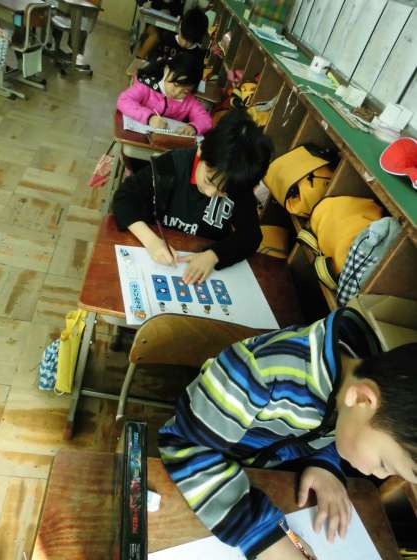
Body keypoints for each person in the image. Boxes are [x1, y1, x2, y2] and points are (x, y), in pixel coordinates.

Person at [158, 307, 417, 559]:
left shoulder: (356, 391)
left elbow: (332, 424)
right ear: (362, 398)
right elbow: (183, 444)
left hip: (257, 468)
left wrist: (325, 462)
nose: (378, 475)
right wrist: (262, 537)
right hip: (199, 460)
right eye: (384, 464)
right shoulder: (262, 373)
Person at [113, 109, 273, 284]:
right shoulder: (170, 166)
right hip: (155, 255)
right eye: (209, 181)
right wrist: (151, 241)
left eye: (223, 192)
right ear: (200, 151)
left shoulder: (237, 185)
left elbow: (251, 236)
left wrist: (214, 255)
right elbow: (124, 198)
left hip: (199, 262)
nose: (212, 193)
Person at [117, 52, 212, 137]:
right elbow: (123, 101)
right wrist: (150, 118)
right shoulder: (147, 85)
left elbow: (206, 120)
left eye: (185, 91)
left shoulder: (189, 101)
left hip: (164, 143)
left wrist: (194, 128)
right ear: (166, 70)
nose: (177, 92)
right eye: (175, 85)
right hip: (137, 136)